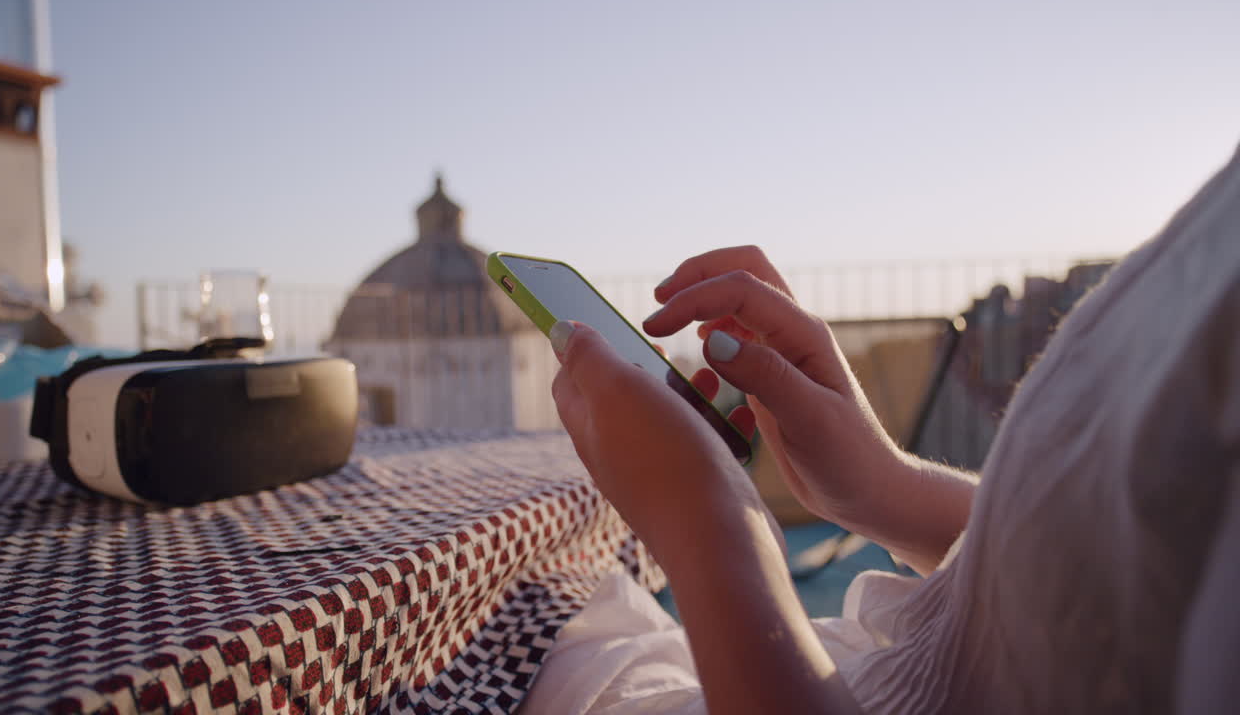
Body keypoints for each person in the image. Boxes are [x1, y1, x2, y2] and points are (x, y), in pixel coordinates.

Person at [520, 142, 1240, 714]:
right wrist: (883, 487)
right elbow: (1125, 573)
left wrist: (710, 527)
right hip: (853, 664)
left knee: (515, 629)